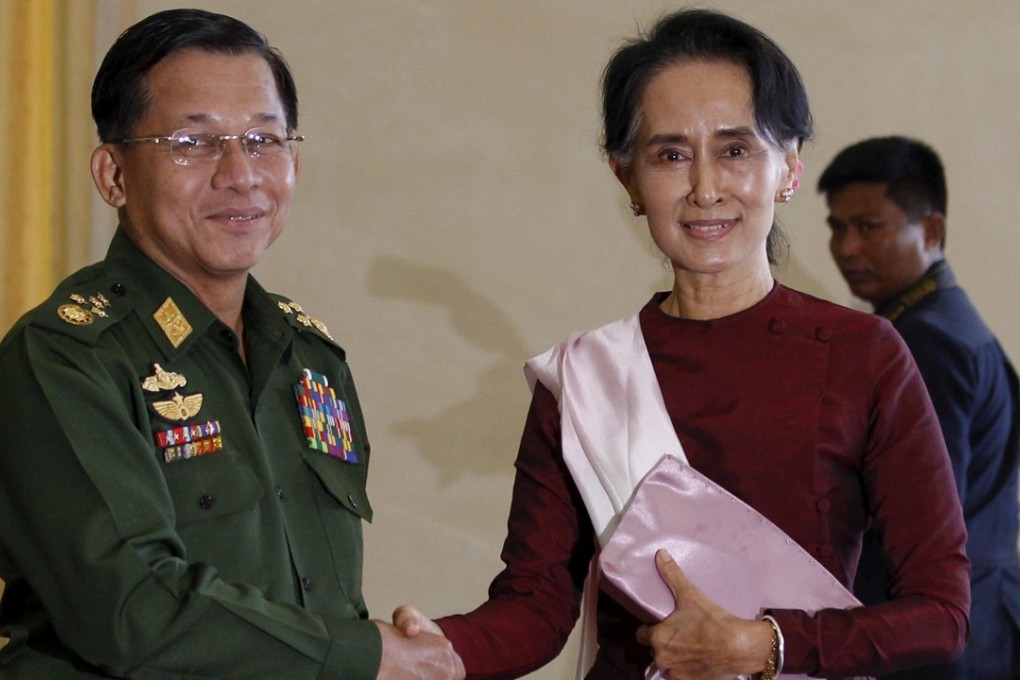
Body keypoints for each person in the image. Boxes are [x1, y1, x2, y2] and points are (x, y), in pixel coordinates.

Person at [394, 9, 970, 679]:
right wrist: (432, 650)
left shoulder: (862, 355)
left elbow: (942, 615)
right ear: (628, 179)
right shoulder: (585, 379)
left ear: (788, 168)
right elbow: (535, 607)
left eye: (735, 150)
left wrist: (764, 644)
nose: (705, 188)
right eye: (670, 155)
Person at [0, 9, 463, 680]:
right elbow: (130, 607)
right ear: (113, 175)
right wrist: (364, 654)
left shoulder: (310, 358)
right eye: (193, 142)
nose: (240, 173)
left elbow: (311, 603)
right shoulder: (64, 357)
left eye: (263, 140)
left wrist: (384, 646)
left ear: (294, 162)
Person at [818, 135, 1020, 679]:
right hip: (982, 619)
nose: (847, 248)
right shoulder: (949, 321)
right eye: (837, 228)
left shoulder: (926, 341)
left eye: (868, 227)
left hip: (939, 641)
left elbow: (921, 515)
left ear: (930, 230)